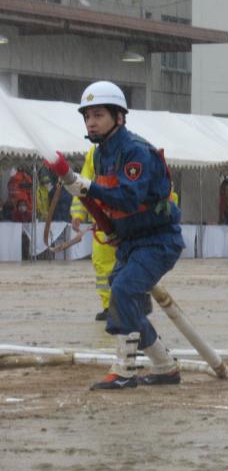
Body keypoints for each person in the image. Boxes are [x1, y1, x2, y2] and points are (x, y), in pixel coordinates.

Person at [62, 80, 184, 389]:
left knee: (124, 292)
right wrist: (114, 229)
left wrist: (87, 186)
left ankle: (125, 371)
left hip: (158, 242)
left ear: (119, 117)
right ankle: (165, 366)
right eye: (87, 116)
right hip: (131, 242)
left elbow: (129, 197)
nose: (91, 122)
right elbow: (111, 202)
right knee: (122, 296)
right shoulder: (101, 153)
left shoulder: (135, 152)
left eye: (98, 115)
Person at [71, 145, 117, 321]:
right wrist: (78, 213)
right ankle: (109, 307)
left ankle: (125, 307)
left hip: (123, 220)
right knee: (102, 265)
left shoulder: (129, 147)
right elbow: (82, 183)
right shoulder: (93, 153)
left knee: (125, 264)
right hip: (101, 222)